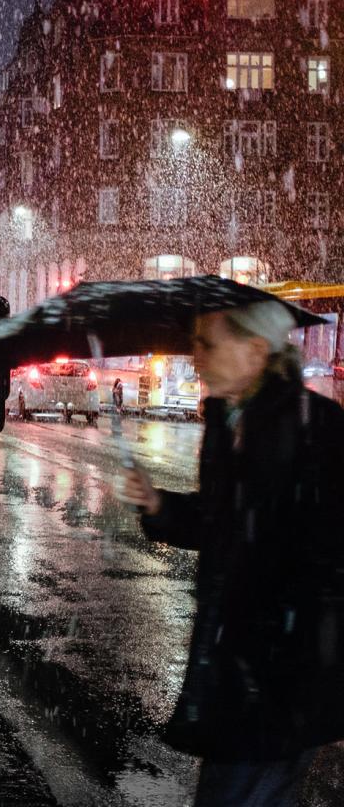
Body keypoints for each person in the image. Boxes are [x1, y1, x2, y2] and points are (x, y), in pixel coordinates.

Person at [118, 301, 344, 806]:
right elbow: (223, 519)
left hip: (282, 672)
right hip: (238, 666)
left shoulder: (317, 427)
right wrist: (159, 503)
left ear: (256, 351)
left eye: (207, 343)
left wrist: (288, 634)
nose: (194, 355)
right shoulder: (228, 420)